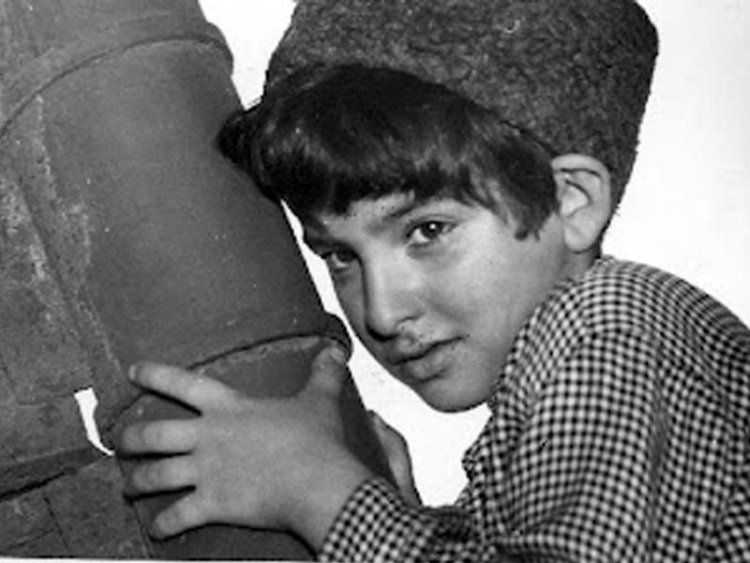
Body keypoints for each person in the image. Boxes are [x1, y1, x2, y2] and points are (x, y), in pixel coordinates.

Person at [117, 0, 750, 560]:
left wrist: (320, 492)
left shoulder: (606, 329)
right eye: (340, 256)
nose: (382, 312)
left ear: (572, 202)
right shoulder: (571, 358)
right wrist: (414, 523)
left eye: (427, 231)